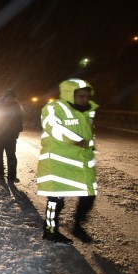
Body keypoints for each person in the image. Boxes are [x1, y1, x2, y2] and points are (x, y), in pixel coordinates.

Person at [37, 79, 98, 244]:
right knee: (56, 201)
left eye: (87, 96)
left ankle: (77, 224)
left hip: (80, 164)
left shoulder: (86, 112)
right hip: (58, 163)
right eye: (82, 96)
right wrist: (75, 139)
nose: (86, 99)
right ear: (70, 95)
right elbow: (53, 127)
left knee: (88, 196)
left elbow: (88, 139)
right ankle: (50, 231)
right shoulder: (54, 108)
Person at [0, 89, 24, 184]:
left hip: (10, 137)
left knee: (11, 156)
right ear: (4, 97)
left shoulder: (16, 106)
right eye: (8, 98)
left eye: (11, 98)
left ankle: (12, 177)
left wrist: (18, 130)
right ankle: (0, 176)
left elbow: (19, 120)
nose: (9, 99)